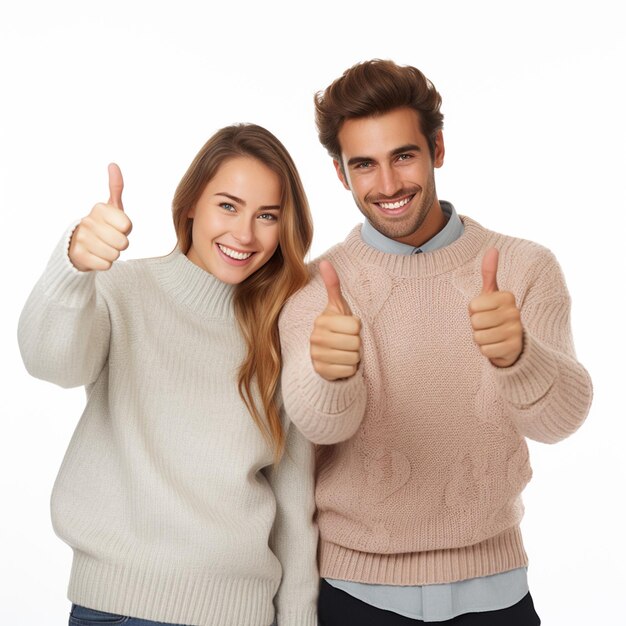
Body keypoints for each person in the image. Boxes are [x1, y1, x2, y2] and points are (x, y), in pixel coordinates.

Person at [279, 60, 593, 625]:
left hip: (497, 595)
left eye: (403, 155)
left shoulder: (525, 267)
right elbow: (321, 428)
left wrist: (519, 357)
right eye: (364, 165)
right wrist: (330, 374)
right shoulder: (313, 286)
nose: (389, 184)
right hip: (355, 598)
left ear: (437, 147)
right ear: (339, 174)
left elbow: (560, 422)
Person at [18, 124, 318, 626]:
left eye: (267, 216)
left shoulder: (282, 327)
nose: (244, 234)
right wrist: (74, 267)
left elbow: (293, 503)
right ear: (190, 205)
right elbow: (49, 362)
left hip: (239, 615)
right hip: (116, 607)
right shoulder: (123, 291)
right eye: (228, 206)